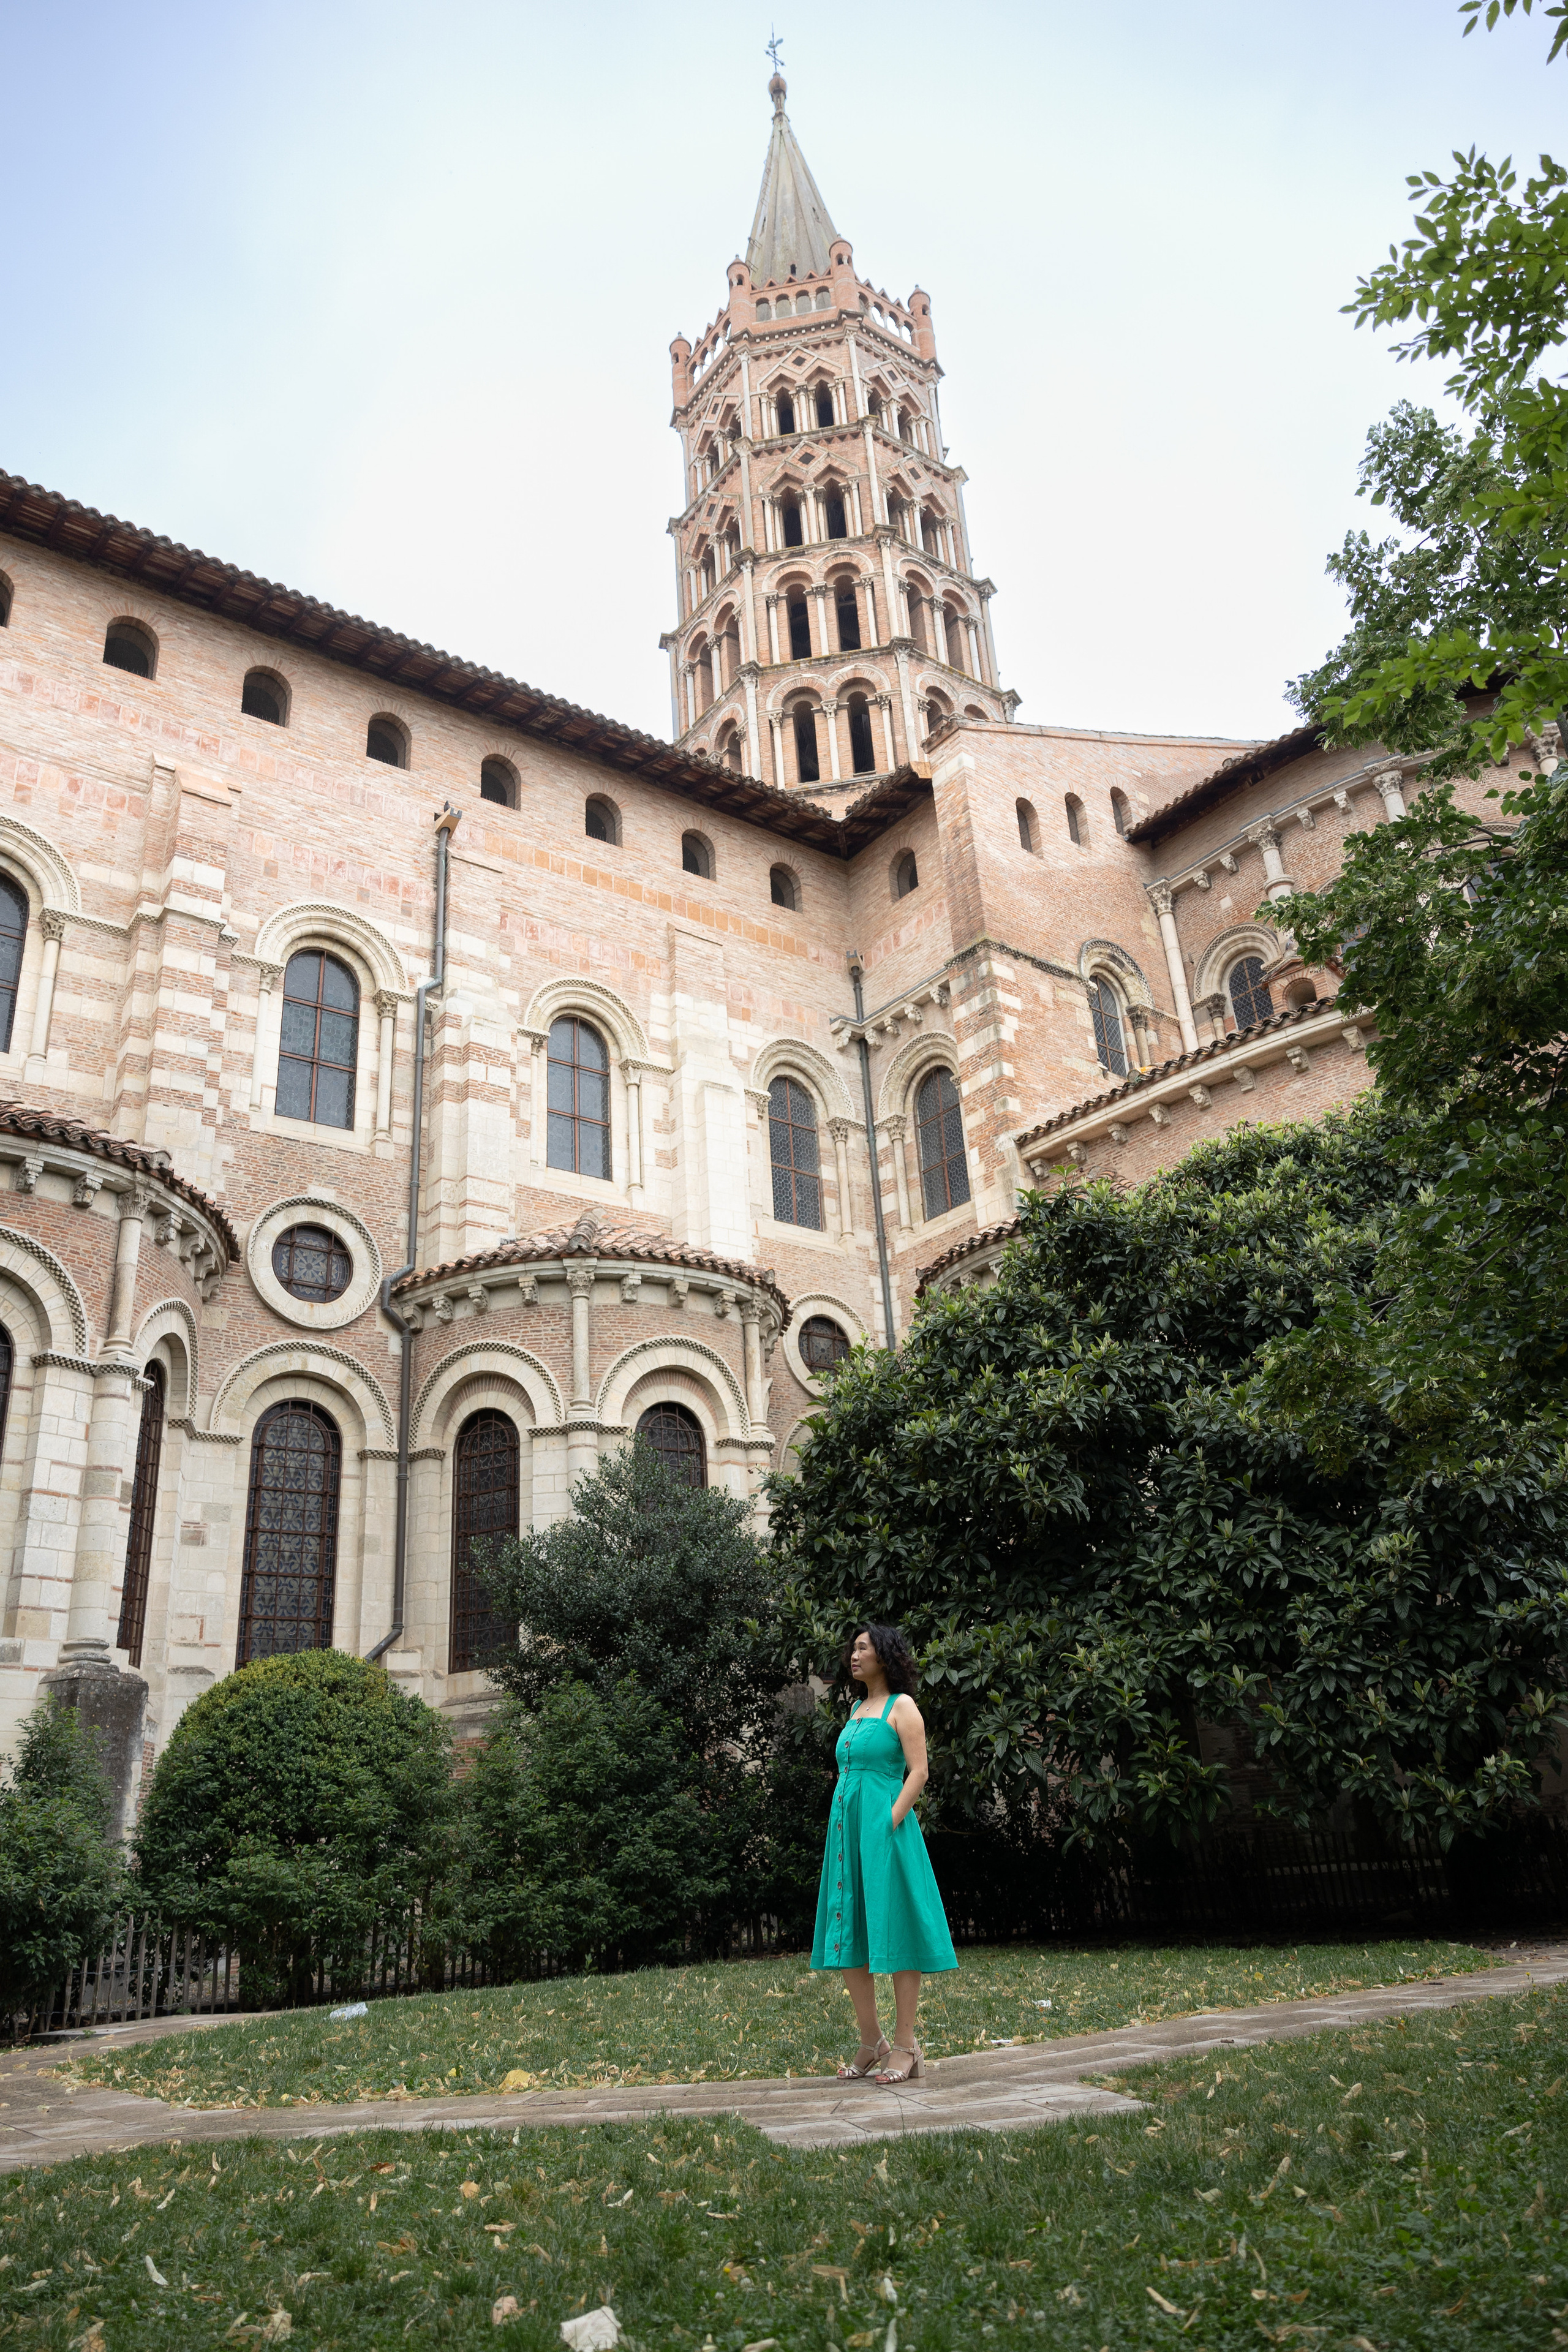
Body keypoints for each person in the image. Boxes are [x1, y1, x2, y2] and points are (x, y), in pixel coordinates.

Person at [809, 1621, 957, 2085]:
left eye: (863, 1648)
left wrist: (887, 1822)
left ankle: (907, 2045)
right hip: (847, 1834)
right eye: (852, 1649)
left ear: (884, 1656)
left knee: (898, 1927)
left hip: (886, 1833)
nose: (853, 1656)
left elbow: (919, 1772)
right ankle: (872, 2040)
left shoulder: (903, 1706)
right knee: (850, 1928)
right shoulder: (856, 1708)